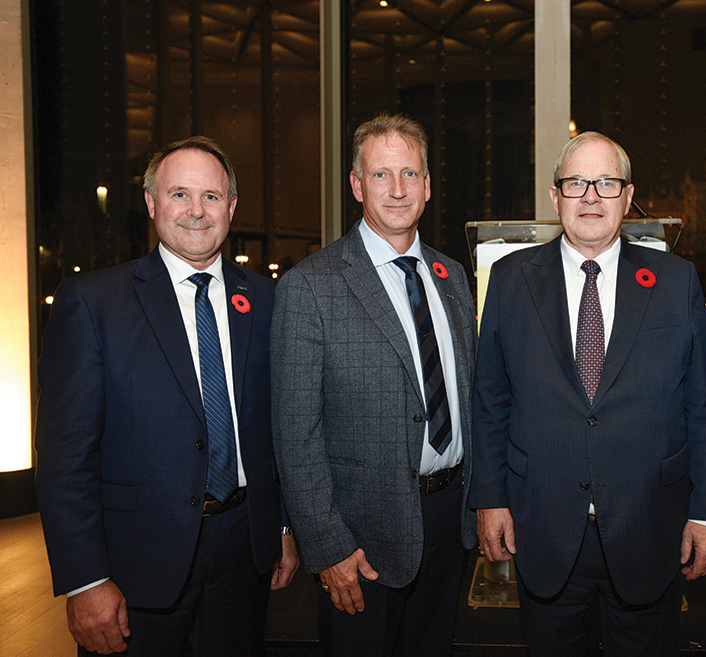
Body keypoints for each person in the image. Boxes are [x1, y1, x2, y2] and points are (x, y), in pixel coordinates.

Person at [469, 131, 706, 657]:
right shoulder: (509, 279)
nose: (591, 196)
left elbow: (705, 405)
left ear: (628, 197)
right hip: (542, 526)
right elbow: (491, 401)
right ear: (555, 197)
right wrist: (490, 499)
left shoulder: (676, 280)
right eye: (577, 183)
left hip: (649, 526)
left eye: (606, 183)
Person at [34, 136, 299, 656]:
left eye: (211, 197)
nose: (196, 211)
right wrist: (86, 581)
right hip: (136, 565)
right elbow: (66, 459)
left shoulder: (266, 299)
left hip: (246, 551)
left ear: (232, 207)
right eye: (180, 194)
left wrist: (282, 525)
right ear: (152, 203)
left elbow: (276, 426)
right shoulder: (92, 303)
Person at [271, 113, 477, 657]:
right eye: (381, 175)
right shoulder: (311, 286)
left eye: (410, 174)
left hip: (448, 522)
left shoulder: (452, 277)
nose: (398, 189)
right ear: (357, 186)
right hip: (360, 536)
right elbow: (295, 434)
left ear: (428, 186)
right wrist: (327, 546)